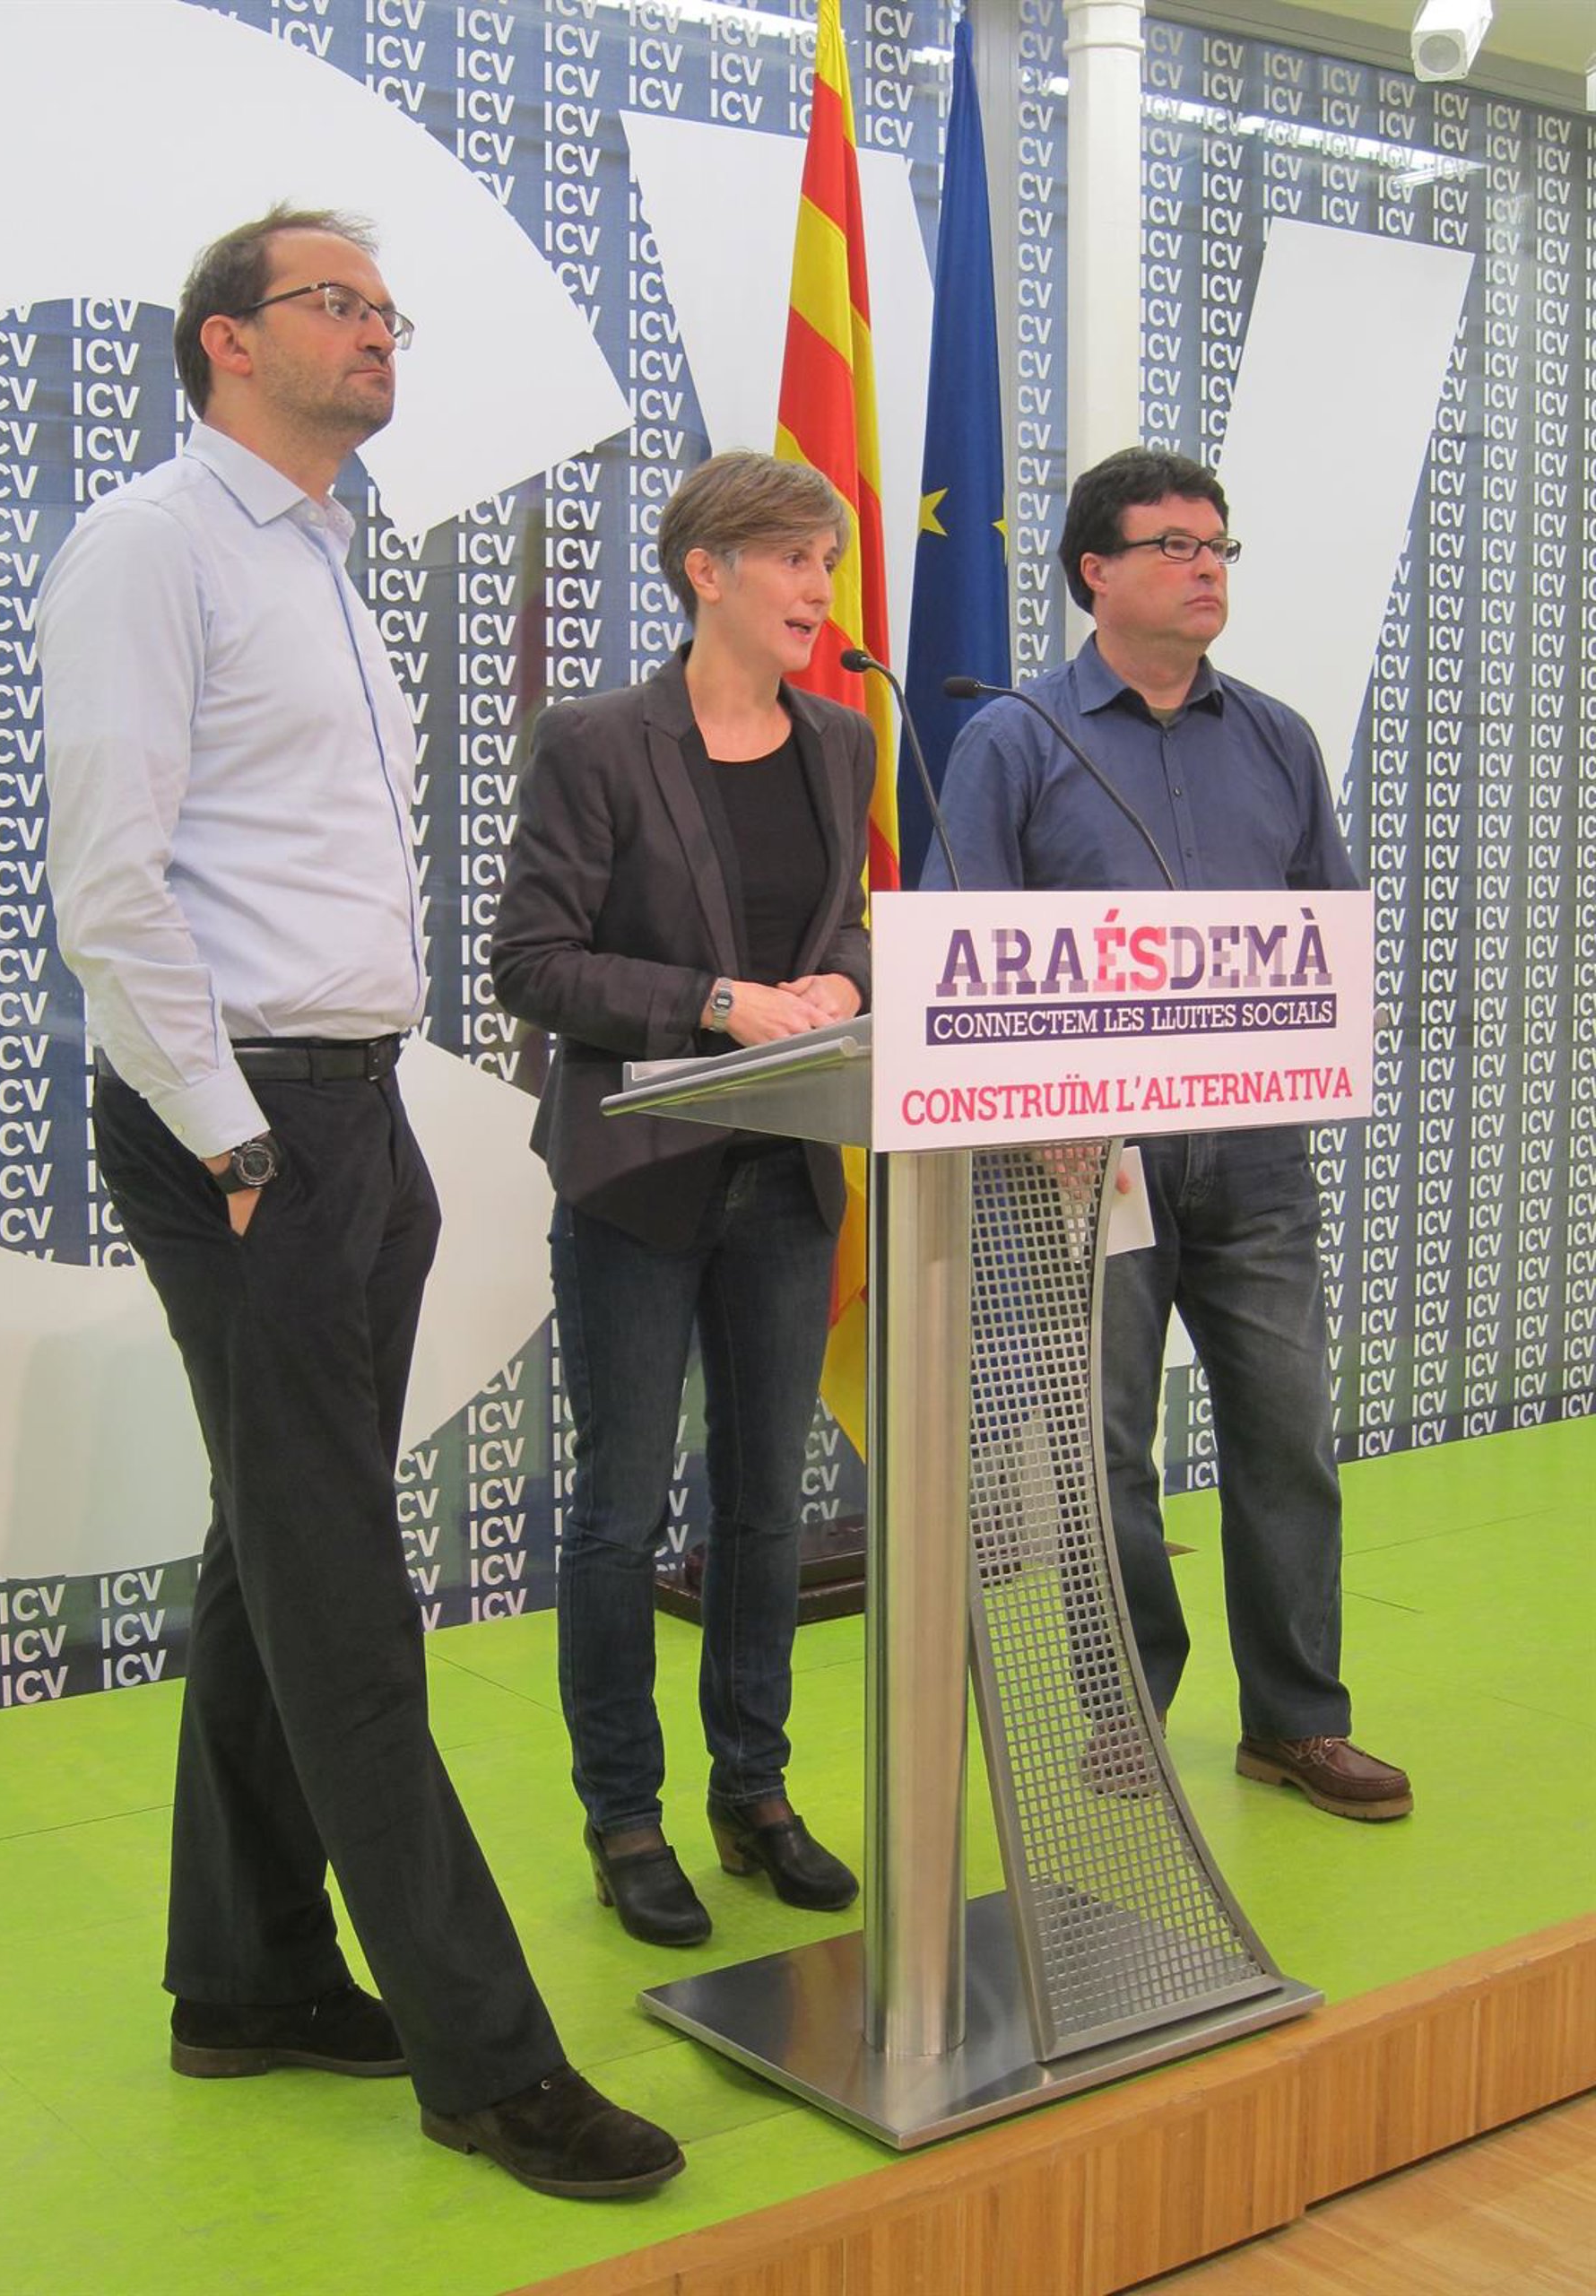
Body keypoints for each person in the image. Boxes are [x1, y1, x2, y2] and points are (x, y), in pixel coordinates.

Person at [39, 205, 682, 2198]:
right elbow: (111, 884)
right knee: (338, 1589)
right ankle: (489, 2061)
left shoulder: (317, 554)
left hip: (348, 1110)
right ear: (226, 341)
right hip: (246, 1128)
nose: (380, 331)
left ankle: (244, 1982)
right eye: (339, 303)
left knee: (275, 1542)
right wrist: (232, 1138)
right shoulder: (152, 545)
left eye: (390, 309)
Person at [927, 447, 1412, 1823]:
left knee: (1287, 1436)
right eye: (1176, 546)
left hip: (1255, 1154)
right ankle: (1123, 1711)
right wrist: (1041, 1109)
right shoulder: (1013, 736)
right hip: (1090, 1161)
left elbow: (1327, 928)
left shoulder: (1277, 738)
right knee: (1104, 1456)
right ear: (1097, 572)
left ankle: (1297, 1723)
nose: (1207, 568)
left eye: (1219, 547)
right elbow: (966, 948)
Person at [491, 451, 872, 1944]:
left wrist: (845, 979)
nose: (819, 590)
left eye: (828, 562)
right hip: (640, 1179)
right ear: (705, 571)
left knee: (766, 1503)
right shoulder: (595, 741)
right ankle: (625, 1817)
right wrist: (714, 1002)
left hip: (789, 1168)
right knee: (620, 1508)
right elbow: (532, 963)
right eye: (791, 560)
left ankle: (754, 1793)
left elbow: (846, 922)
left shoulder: (842, 741)